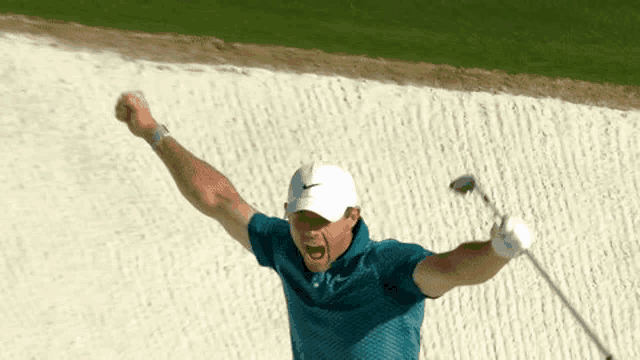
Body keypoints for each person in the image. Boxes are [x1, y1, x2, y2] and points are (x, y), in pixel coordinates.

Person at [115, 91, 533, 359]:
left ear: (352, 217)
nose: (309, 232)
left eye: (322, 220)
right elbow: (220, 200)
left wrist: (497, 251)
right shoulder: (285, 247)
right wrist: (153, 132)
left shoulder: (387, 267)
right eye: (302, 219)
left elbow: (452, 269)